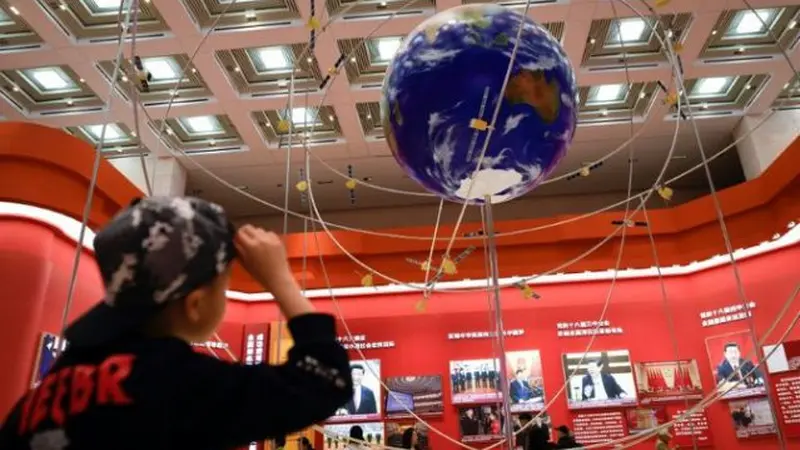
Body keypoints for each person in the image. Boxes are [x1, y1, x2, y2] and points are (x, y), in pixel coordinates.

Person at [0, 197, 353, 449]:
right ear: (196, 304)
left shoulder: (42, 396)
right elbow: (325, 382)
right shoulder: (174, 381)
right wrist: (281, 280)